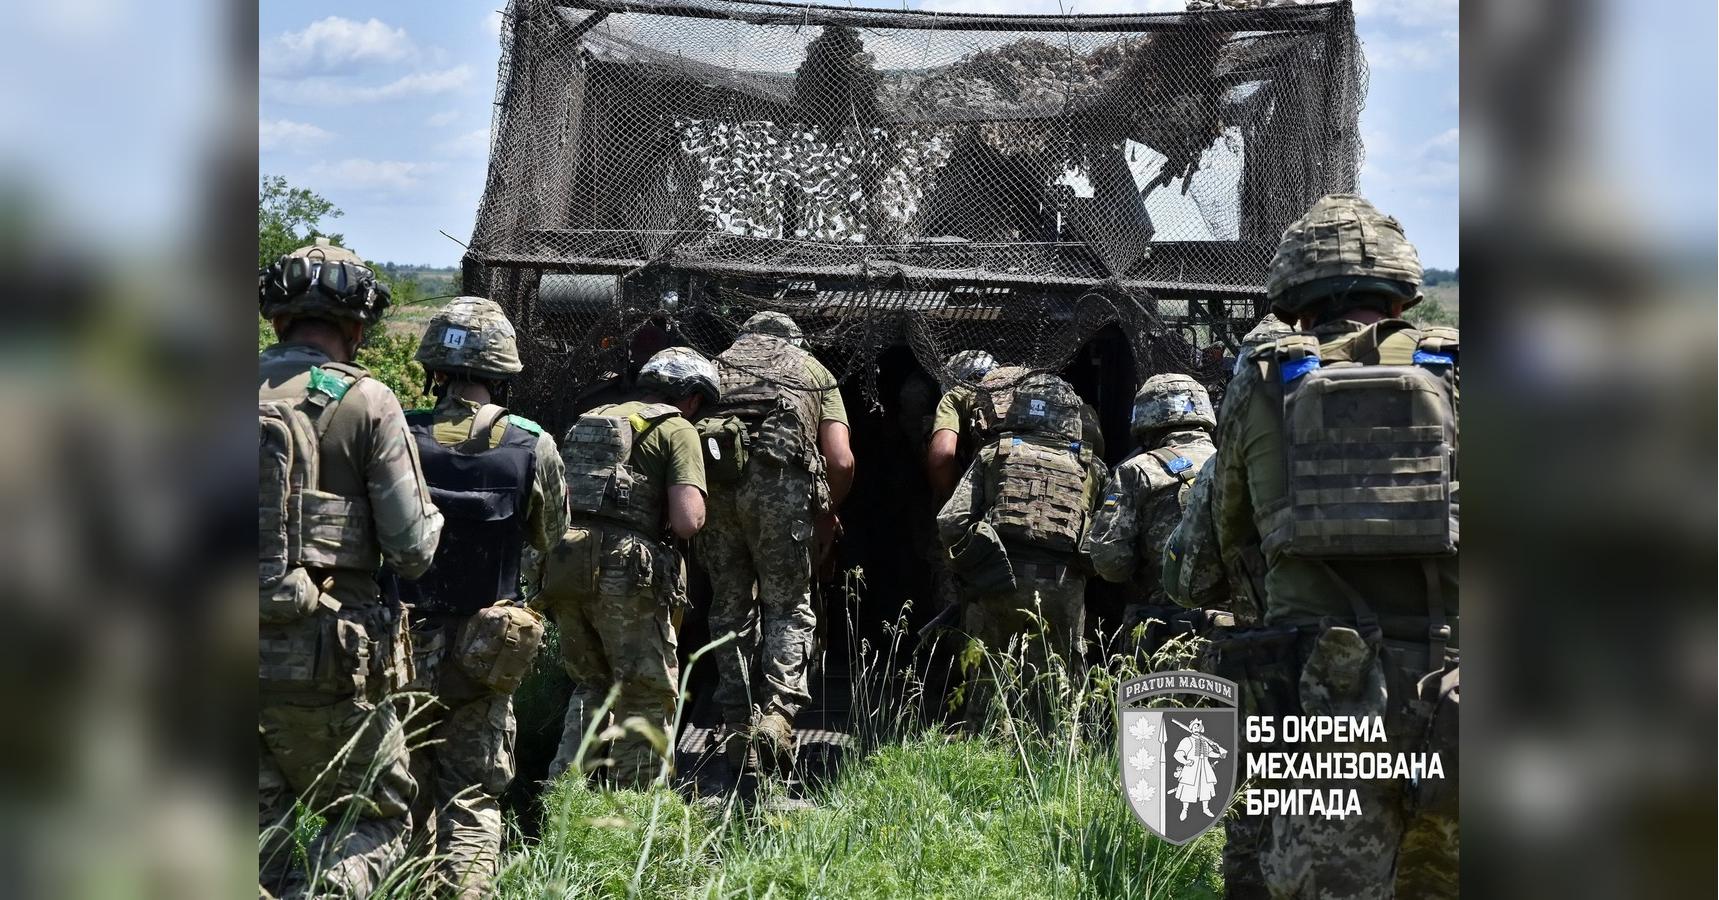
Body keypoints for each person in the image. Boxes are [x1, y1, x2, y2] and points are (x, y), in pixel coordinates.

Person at [1207, 194, 1459, 899]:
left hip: (1323, 704)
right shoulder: (1465, 371)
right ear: (1402, 294)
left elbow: (1210, 551)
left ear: (1293, 303)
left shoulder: (1260, 382)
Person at [259, 239, 444, 898]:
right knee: (377, 816)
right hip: (323, 660)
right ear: (359, 327)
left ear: (276, 317)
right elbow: (412, 550)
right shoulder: (367, 401)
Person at [389, 296, 567, 897]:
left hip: (398, 642)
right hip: (485, 648)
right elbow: (551, 536)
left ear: (433, 369)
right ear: (503, 371)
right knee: (470, 796)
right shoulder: (531, 444)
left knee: (401, 789)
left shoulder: (397, 432)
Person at [537, 346, 719, 786]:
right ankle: (633, 802)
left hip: (563, 561)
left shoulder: (593, 416)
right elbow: (688, 520)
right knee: (644, 690)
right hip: (625, 571)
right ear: (692, 397)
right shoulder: (677, 428)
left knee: (591, 684)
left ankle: (564, 793)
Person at [695, 311, 854, 773]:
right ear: (793, 339)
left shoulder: (715, 365)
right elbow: (841, 461)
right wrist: (826, 511)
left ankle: (736, 723)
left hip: (717, 489)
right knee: (787, 605)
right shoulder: (812, 370)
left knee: (729, 606)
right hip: (781, 493)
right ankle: (778, 717)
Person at [935, 370, 1109, 730]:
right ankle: (1054, 754)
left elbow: (951, 521)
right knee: (1058, 695)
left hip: (997, 581)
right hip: (1063, 588)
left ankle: (982, 750)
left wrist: (974, 565)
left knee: (987, 687)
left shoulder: (994, 453)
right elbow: (1105, 540)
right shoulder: (1091, 465)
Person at [1082, 374, 1221, 652]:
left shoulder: (1137, 470)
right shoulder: (1233, 461)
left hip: (1165, 629)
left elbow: (1111, 561)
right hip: (1232, 628)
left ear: (1145, 419)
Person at [927, 359, 1104, 503]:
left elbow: (941, 459)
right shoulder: (1055, 390)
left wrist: (954, 498)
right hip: (1067, 496)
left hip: (1000, 493)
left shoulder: (960, 393)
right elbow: (1094, 449)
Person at [1171, 718, 1227, 821]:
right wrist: (1185, 762)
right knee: (1187, 788)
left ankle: (1206, 809)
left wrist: (1219, 754)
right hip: (1191, 768)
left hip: (1204, 768)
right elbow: (1177, 754)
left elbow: (1209, 753)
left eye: (1198, 727)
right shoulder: (1187, 740)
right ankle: (1184, 810)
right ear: (1191, 728)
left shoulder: (1205, 741)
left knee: (1205, 788)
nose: (1196, 729)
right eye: (1194, 727)